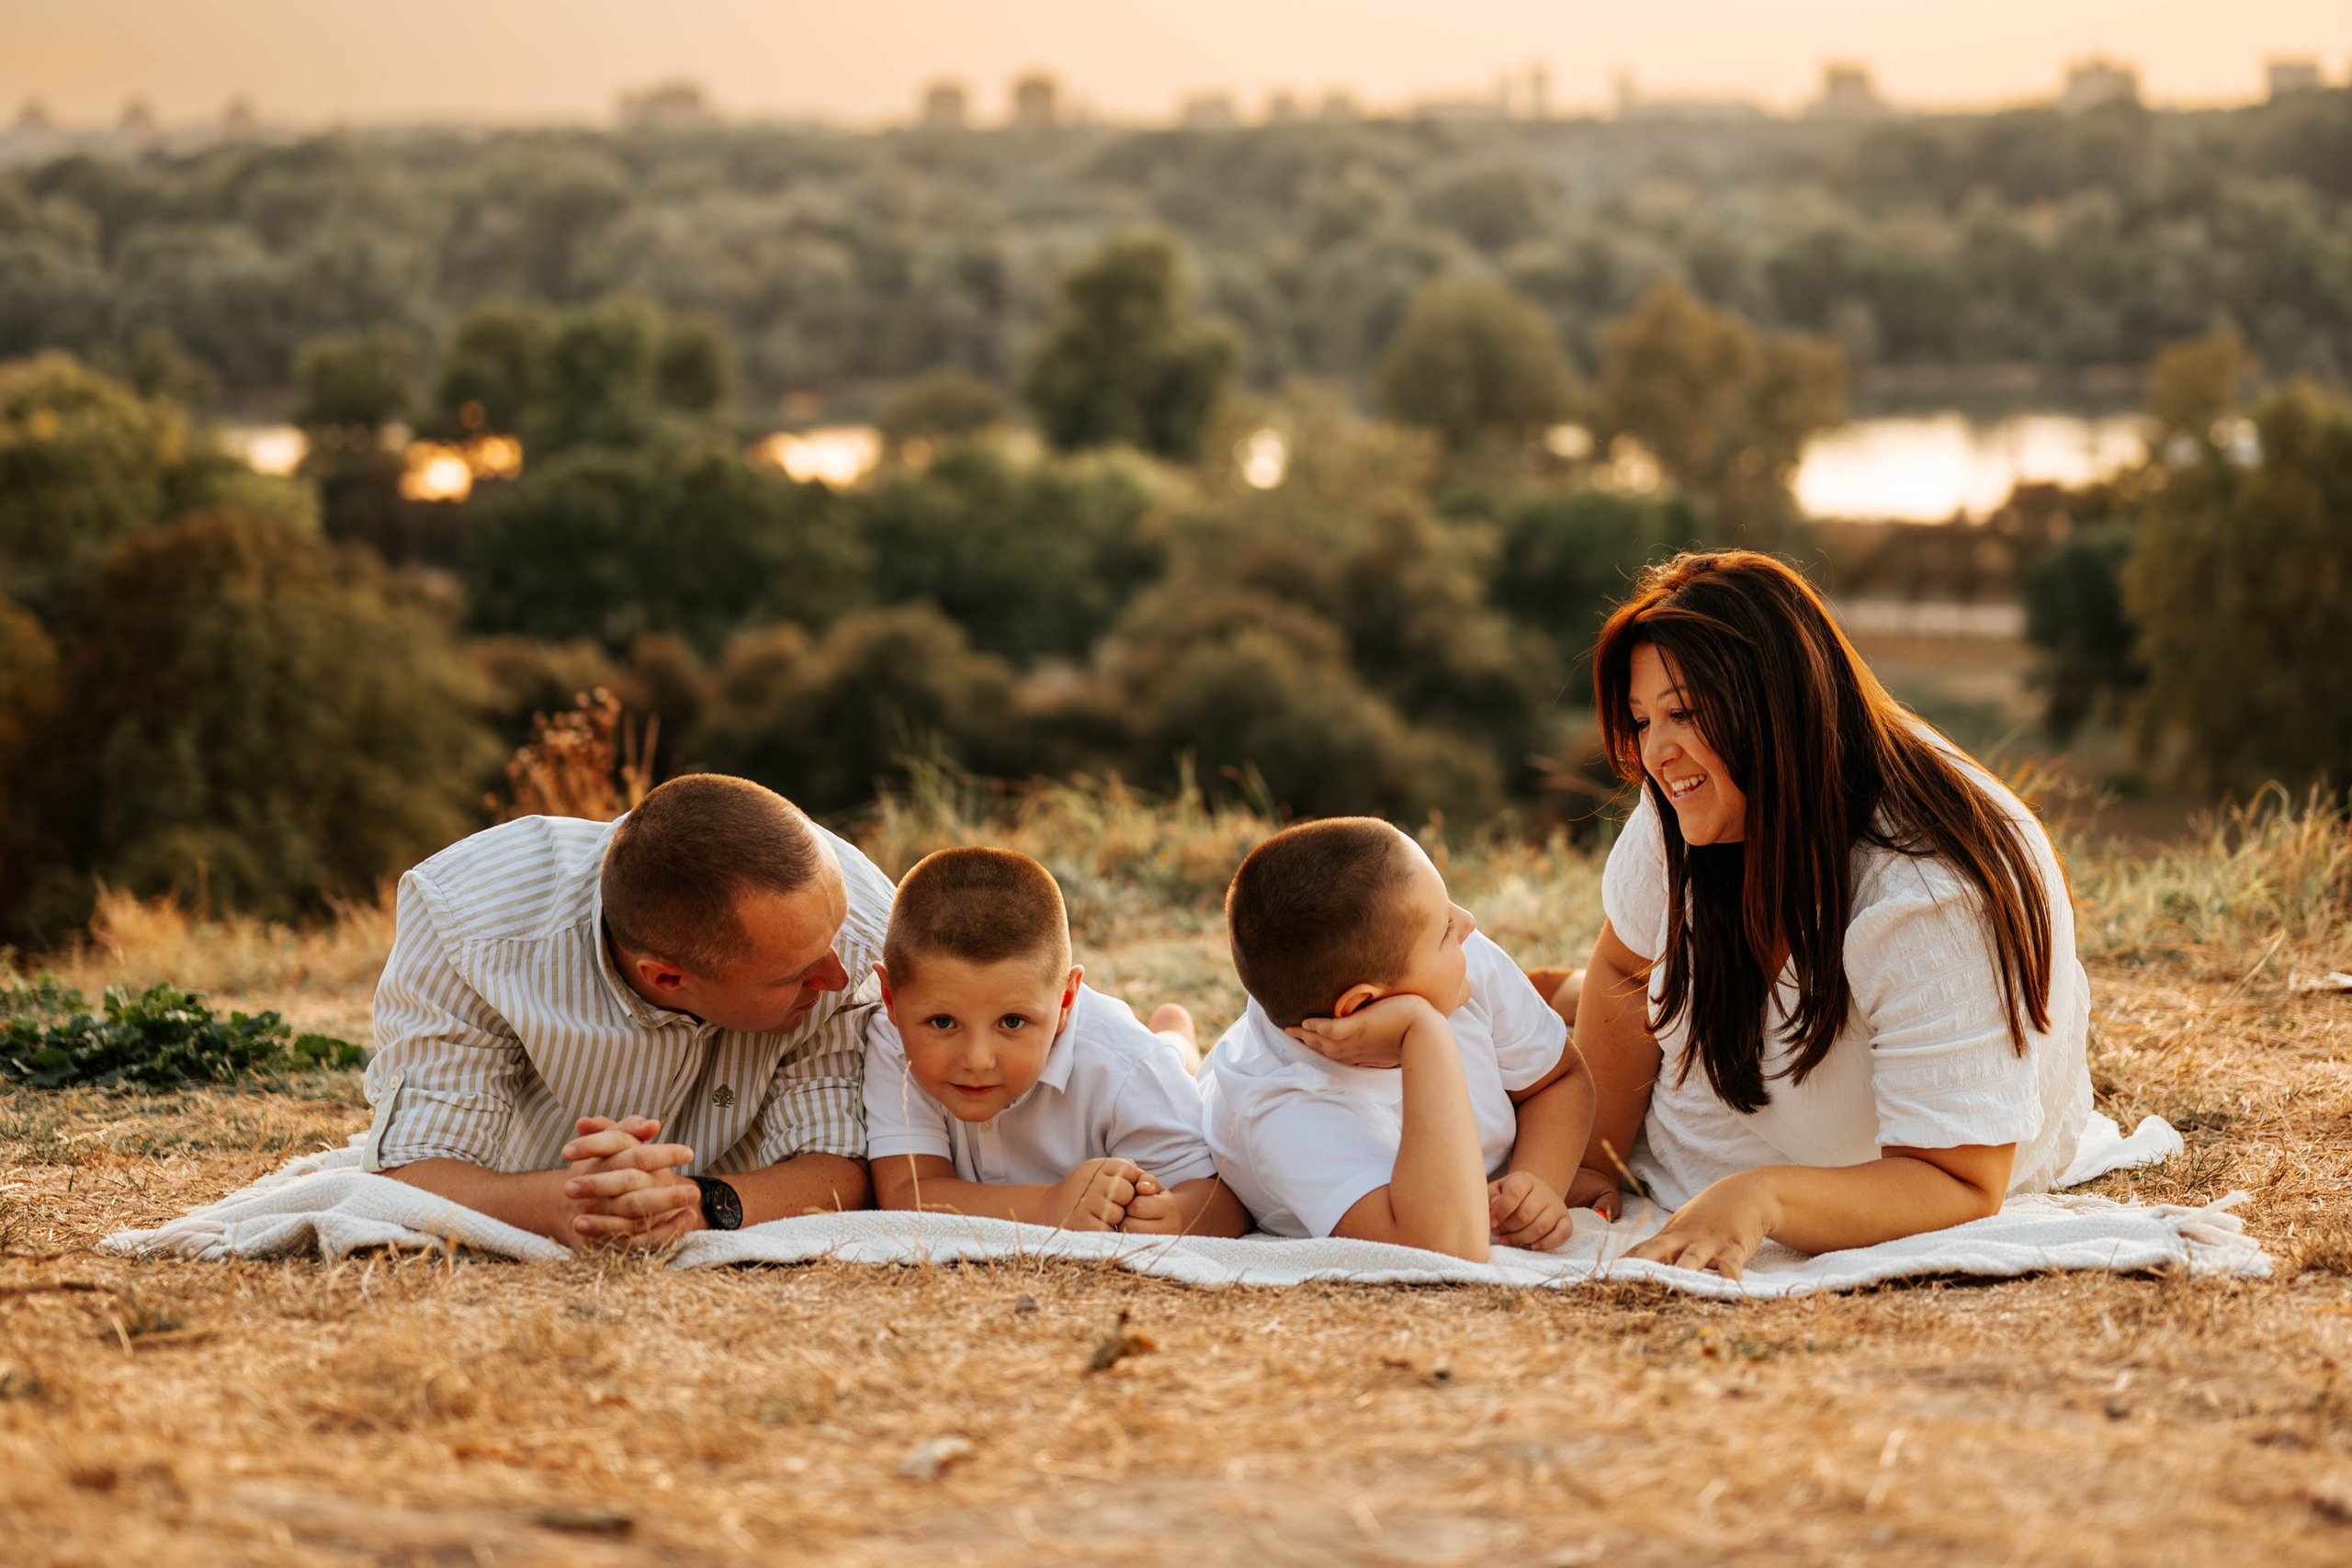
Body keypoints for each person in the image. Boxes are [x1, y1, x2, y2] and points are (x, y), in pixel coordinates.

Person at [1566, 550, 2096, 1279]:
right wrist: (1592, 1162)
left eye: (1683, 712)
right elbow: (1626, 965)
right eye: (1641, 718)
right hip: (1730, 1102)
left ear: (1772, 706)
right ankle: (1550, 995)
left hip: (1890, 1168)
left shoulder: (1934, 896)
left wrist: (1760, 1199)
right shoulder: (1694, 807)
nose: (1657, 751)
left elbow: (1963, 1179)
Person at [363, 773, 894, 1248]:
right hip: (525, 1173)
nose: (839, 977)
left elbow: (842, 1165)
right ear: (666, 977)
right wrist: (559, 1206)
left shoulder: (868, 930)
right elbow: (414, 1170)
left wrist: (697, 1205)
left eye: (835, 938)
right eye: (793, 975)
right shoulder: (470, 926)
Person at [1199, 818, 1596, 1262]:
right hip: (1211, 1104)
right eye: (1445, 927)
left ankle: (1568, 987)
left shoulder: (1445, 950)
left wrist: (1536, 1181)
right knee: (1178, 1077)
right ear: (1365, 1004)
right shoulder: (1278, 1108)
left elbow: (1560, 1079)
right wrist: (1423, 1033)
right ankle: (1172, 1035)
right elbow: (1446, 1245)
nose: (1467, 922)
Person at [865, 846, 1250, 1237]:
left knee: (1174, 1058)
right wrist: (1048, 1206)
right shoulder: (892, 1041)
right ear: (891, 999)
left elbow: (1225, 1197)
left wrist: (1179, 1215)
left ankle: (1177, 1037)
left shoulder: (1129, 1066)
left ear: (1066, 1001)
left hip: (1148, 1063)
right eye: (943, 1022)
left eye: (1012, 1022)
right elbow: (907, 1193)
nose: (977, 1060)